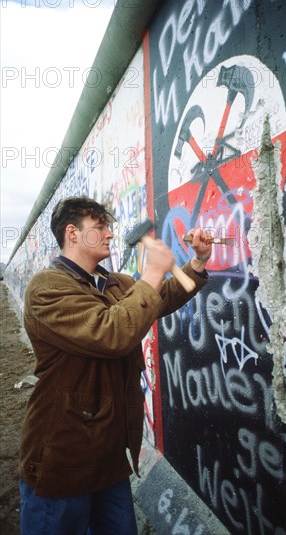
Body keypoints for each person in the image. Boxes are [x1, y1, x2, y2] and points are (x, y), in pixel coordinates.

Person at [19, 196, 212, 534]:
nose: (110, 234)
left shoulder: (112, 282)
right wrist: (152, 270)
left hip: (109, 457)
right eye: (100, 227)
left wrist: (196, 264)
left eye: (109, 226)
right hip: (63, 458)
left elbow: (158, 298)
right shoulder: (47, 289)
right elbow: (113, 332)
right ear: (73, 233)